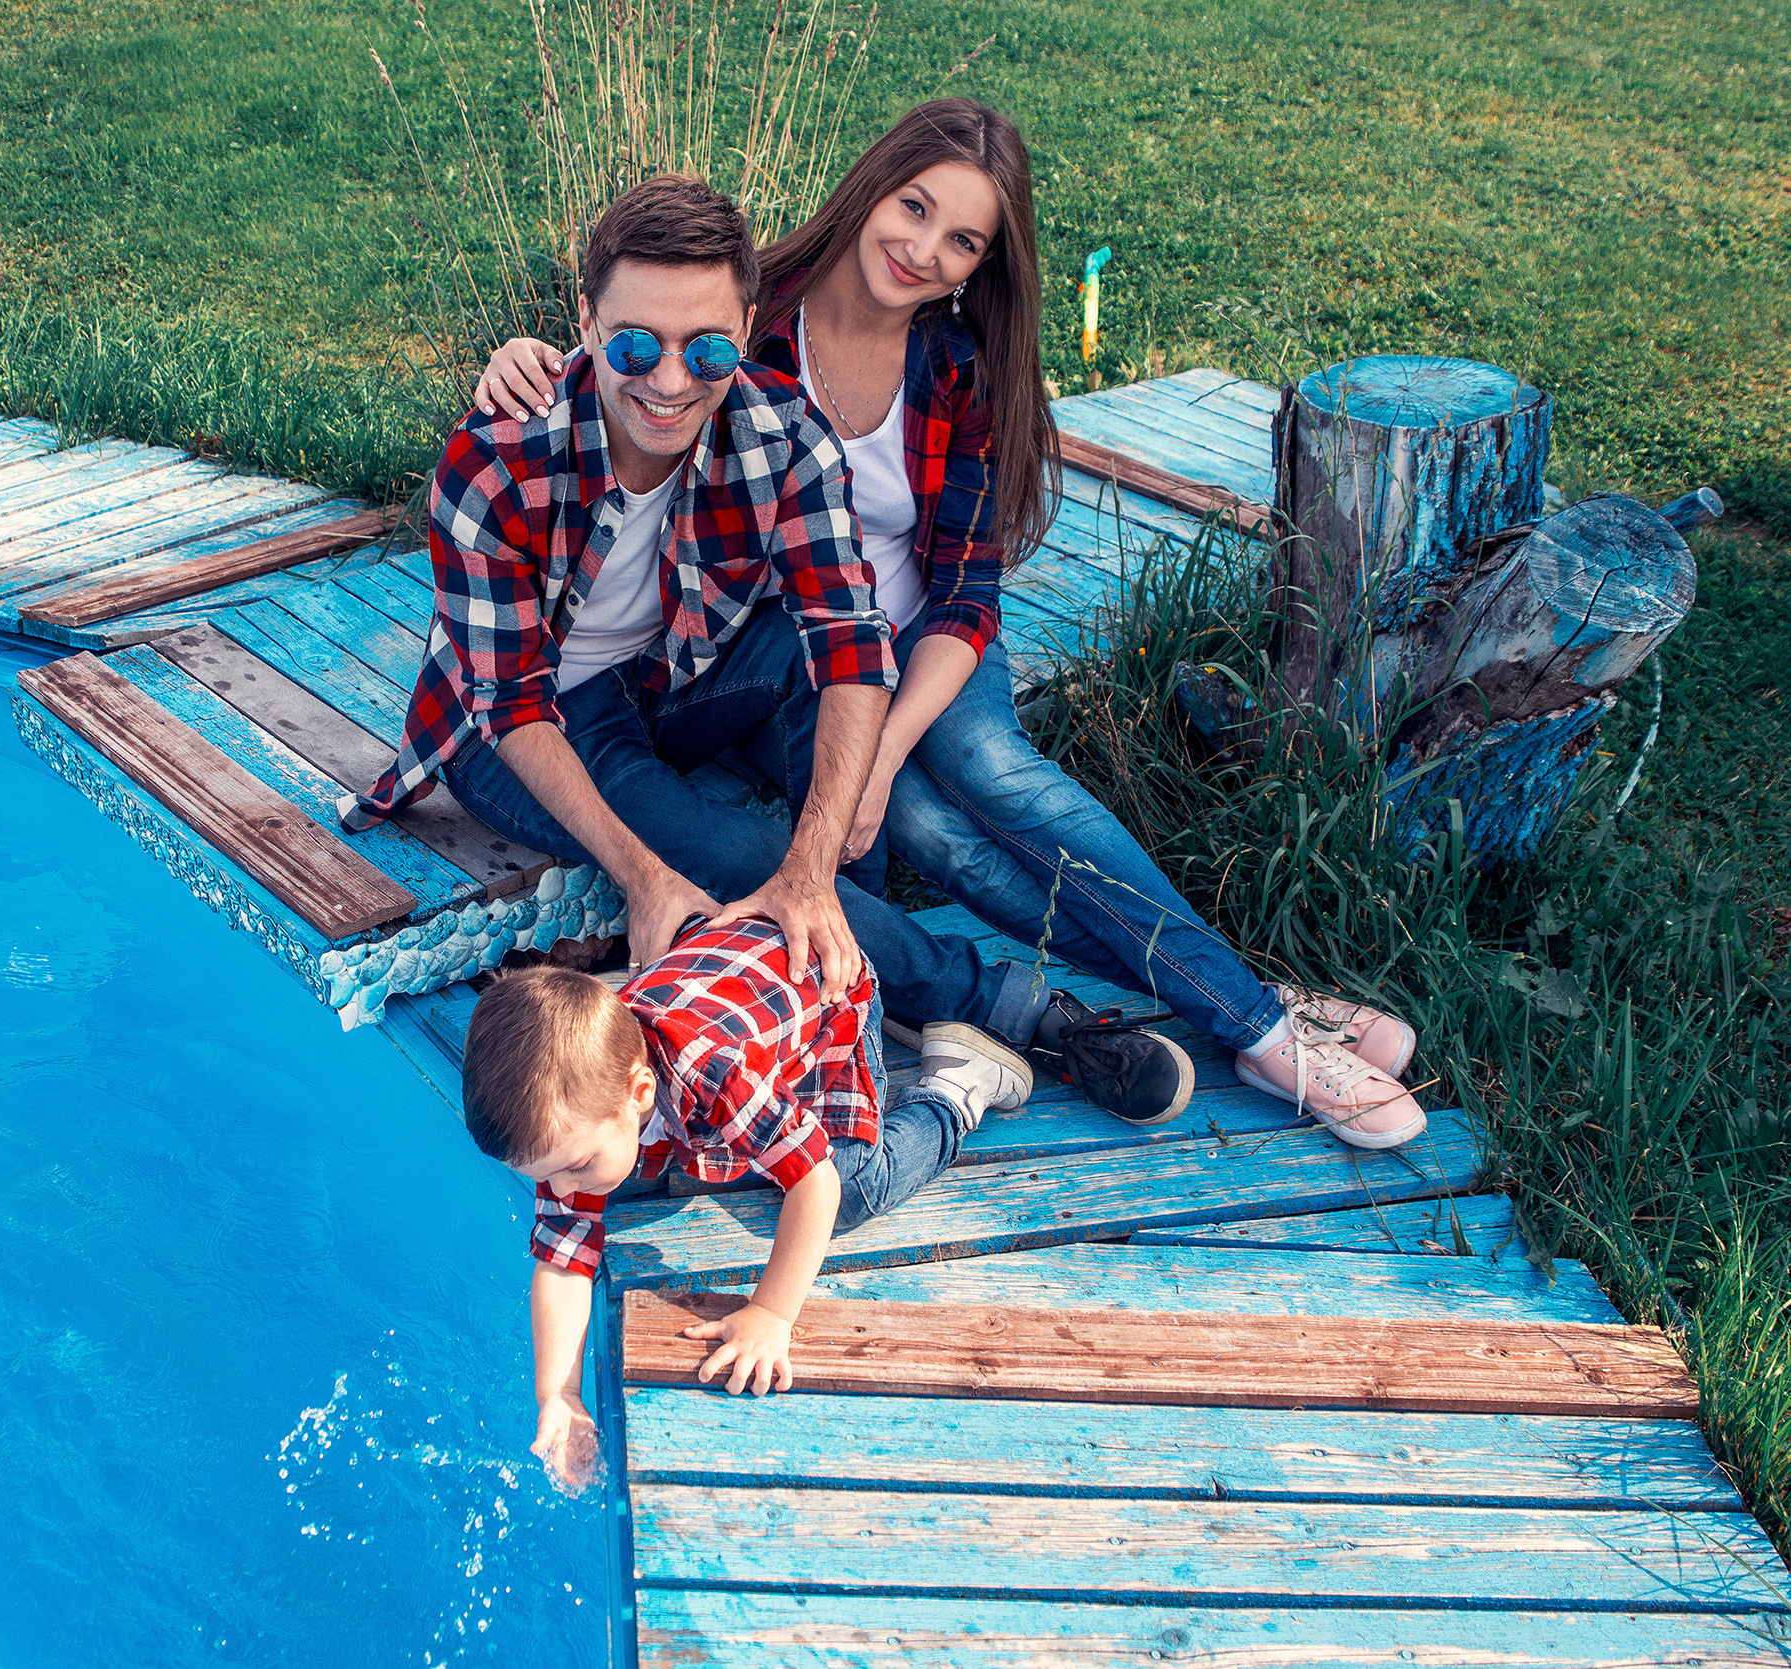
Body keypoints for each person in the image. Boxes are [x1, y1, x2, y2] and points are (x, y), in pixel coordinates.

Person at [472, 101, 1426, 1150]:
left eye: (962, 239)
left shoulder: (949, 366)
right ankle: (1198, 997)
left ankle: (1255, 1020)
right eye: (915, 207)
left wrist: (878, 756)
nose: (924, 249)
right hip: (769, 647)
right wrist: (532, 361)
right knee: (939, 840)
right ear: (871, 186)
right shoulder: (749, 322)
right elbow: (632, 356)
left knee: (993, 773)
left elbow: (963, 591)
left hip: (916, 639)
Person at [346, 172, 1188, 1110]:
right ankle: (1006, 1005)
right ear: (586, 322)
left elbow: (851, 641)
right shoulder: (495, 460)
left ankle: (844, 961)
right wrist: (645, 878)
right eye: (634, 344)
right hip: (518, 732)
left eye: (706, 348)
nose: (669, 382)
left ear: (748, 329)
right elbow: (510, 707)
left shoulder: (782, 431)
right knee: (734, 850)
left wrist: (814, 867)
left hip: (661, 679)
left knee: (805, 681)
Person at [461, 916, 1027, 1487]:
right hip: (738, 970)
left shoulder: (717, 1070)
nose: (562, 1190)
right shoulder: (587, 1099)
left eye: (576, 1166)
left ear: (641, 1092)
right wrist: (559, 1394)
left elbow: (816, 1184)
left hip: (832, 998)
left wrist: (771, 1314)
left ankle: (957, 1090)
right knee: (653, 1162)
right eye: (545, 1176)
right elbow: (563, 1260)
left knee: (851, 1188)